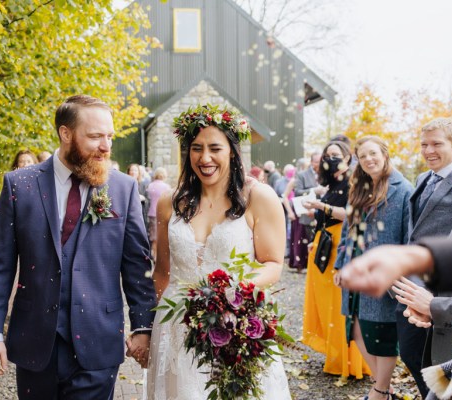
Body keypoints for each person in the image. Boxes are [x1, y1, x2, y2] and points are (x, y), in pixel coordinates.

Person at [0, 94, 156, 399]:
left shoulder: (123, 189)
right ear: (66, 133)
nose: (106, 146)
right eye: (95, 136)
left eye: (110, 136)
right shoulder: (19, 185)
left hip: (98, 342)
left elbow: (136, 266)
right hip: (35, 341)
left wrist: (142, 326)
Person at [146, 105, 291, 399]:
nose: (205, 158)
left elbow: (273, 264)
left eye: (215, 148)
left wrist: (229, 295)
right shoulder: (168, 202)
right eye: (196, 148)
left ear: (232, 152)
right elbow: (162, 272)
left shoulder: (258, 197)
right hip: (176, 327)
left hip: (233, 322)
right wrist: (157, 333)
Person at [333, 136, 413, 400]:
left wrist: (399, 273)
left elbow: (409, 236)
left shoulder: (403, 190)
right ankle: (384, 386)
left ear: (385, 153)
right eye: (363, 156)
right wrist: (340, 266)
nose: (369, 159)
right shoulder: (360, 187)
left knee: (382, 334)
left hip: (383, 274)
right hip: (356, 269)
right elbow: (347, 231)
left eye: (373, 154)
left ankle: (379, 391)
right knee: (355, 331)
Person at [396, 117, 452, 397]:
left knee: (442, 362)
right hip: (412, 287)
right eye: (424, 144)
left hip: (444, 295)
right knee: (413, 356)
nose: (428, 151)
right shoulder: (423, 178)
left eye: (437, 144)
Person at [301, 141, 371, 380]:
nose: (330, 159)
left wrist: (321, 205)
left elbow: (352, 214)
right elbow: (327, 216)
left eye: (335, 155)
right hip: (324, 244)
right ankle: (335, 354)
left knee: (339, 304)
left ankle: (349, 361)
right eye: (327, 155)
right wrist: (316, 235)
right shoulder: (332, 183)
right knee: (326, 304)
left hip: (341, 244)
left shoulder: (354, 182)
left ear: (348, 158)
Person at [145, 167, 171, 259]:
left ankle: (153, 255)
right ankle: (159, 256)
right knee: (162, 236)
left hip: (152, 213)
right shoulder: (166, 187)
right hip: (163, 214)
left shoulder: (150, 186)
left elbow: (147, 199)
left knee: (153, 236)